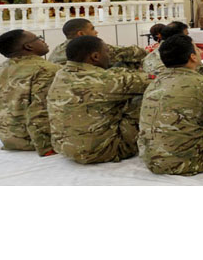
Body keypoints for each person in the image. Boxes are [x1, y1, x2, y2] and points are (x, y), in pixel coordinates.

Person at [138, 35, 203, 176]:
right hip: (189, 161)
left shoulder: (155, 83)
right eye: (197, 49)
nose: (201, 52)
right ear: (193, 57)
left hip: (151, 160)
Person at [47, 36, 151, 164]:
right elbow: (153, 81)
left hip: (64, 148)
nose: (109, 56)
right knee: (146, 94)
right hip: (105, 151)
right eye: (107, 52)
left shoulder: (60, 74)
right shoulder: (107, 80)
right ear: (95, 57)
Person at [0, 29, 58, 155]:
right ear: (28, 46)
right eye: (38, 38)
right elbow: (40, 110)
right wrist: (46, 148)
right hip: (35, 142)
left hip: (8, 139)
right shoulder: (47, 69)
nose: (43, 41)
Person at [50, 18, 147, 68]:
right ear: (81, 33)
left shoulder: (57, 50)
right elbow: (135, 52)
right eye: (92, 29)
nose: (96, 32)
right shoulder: (92, 47)